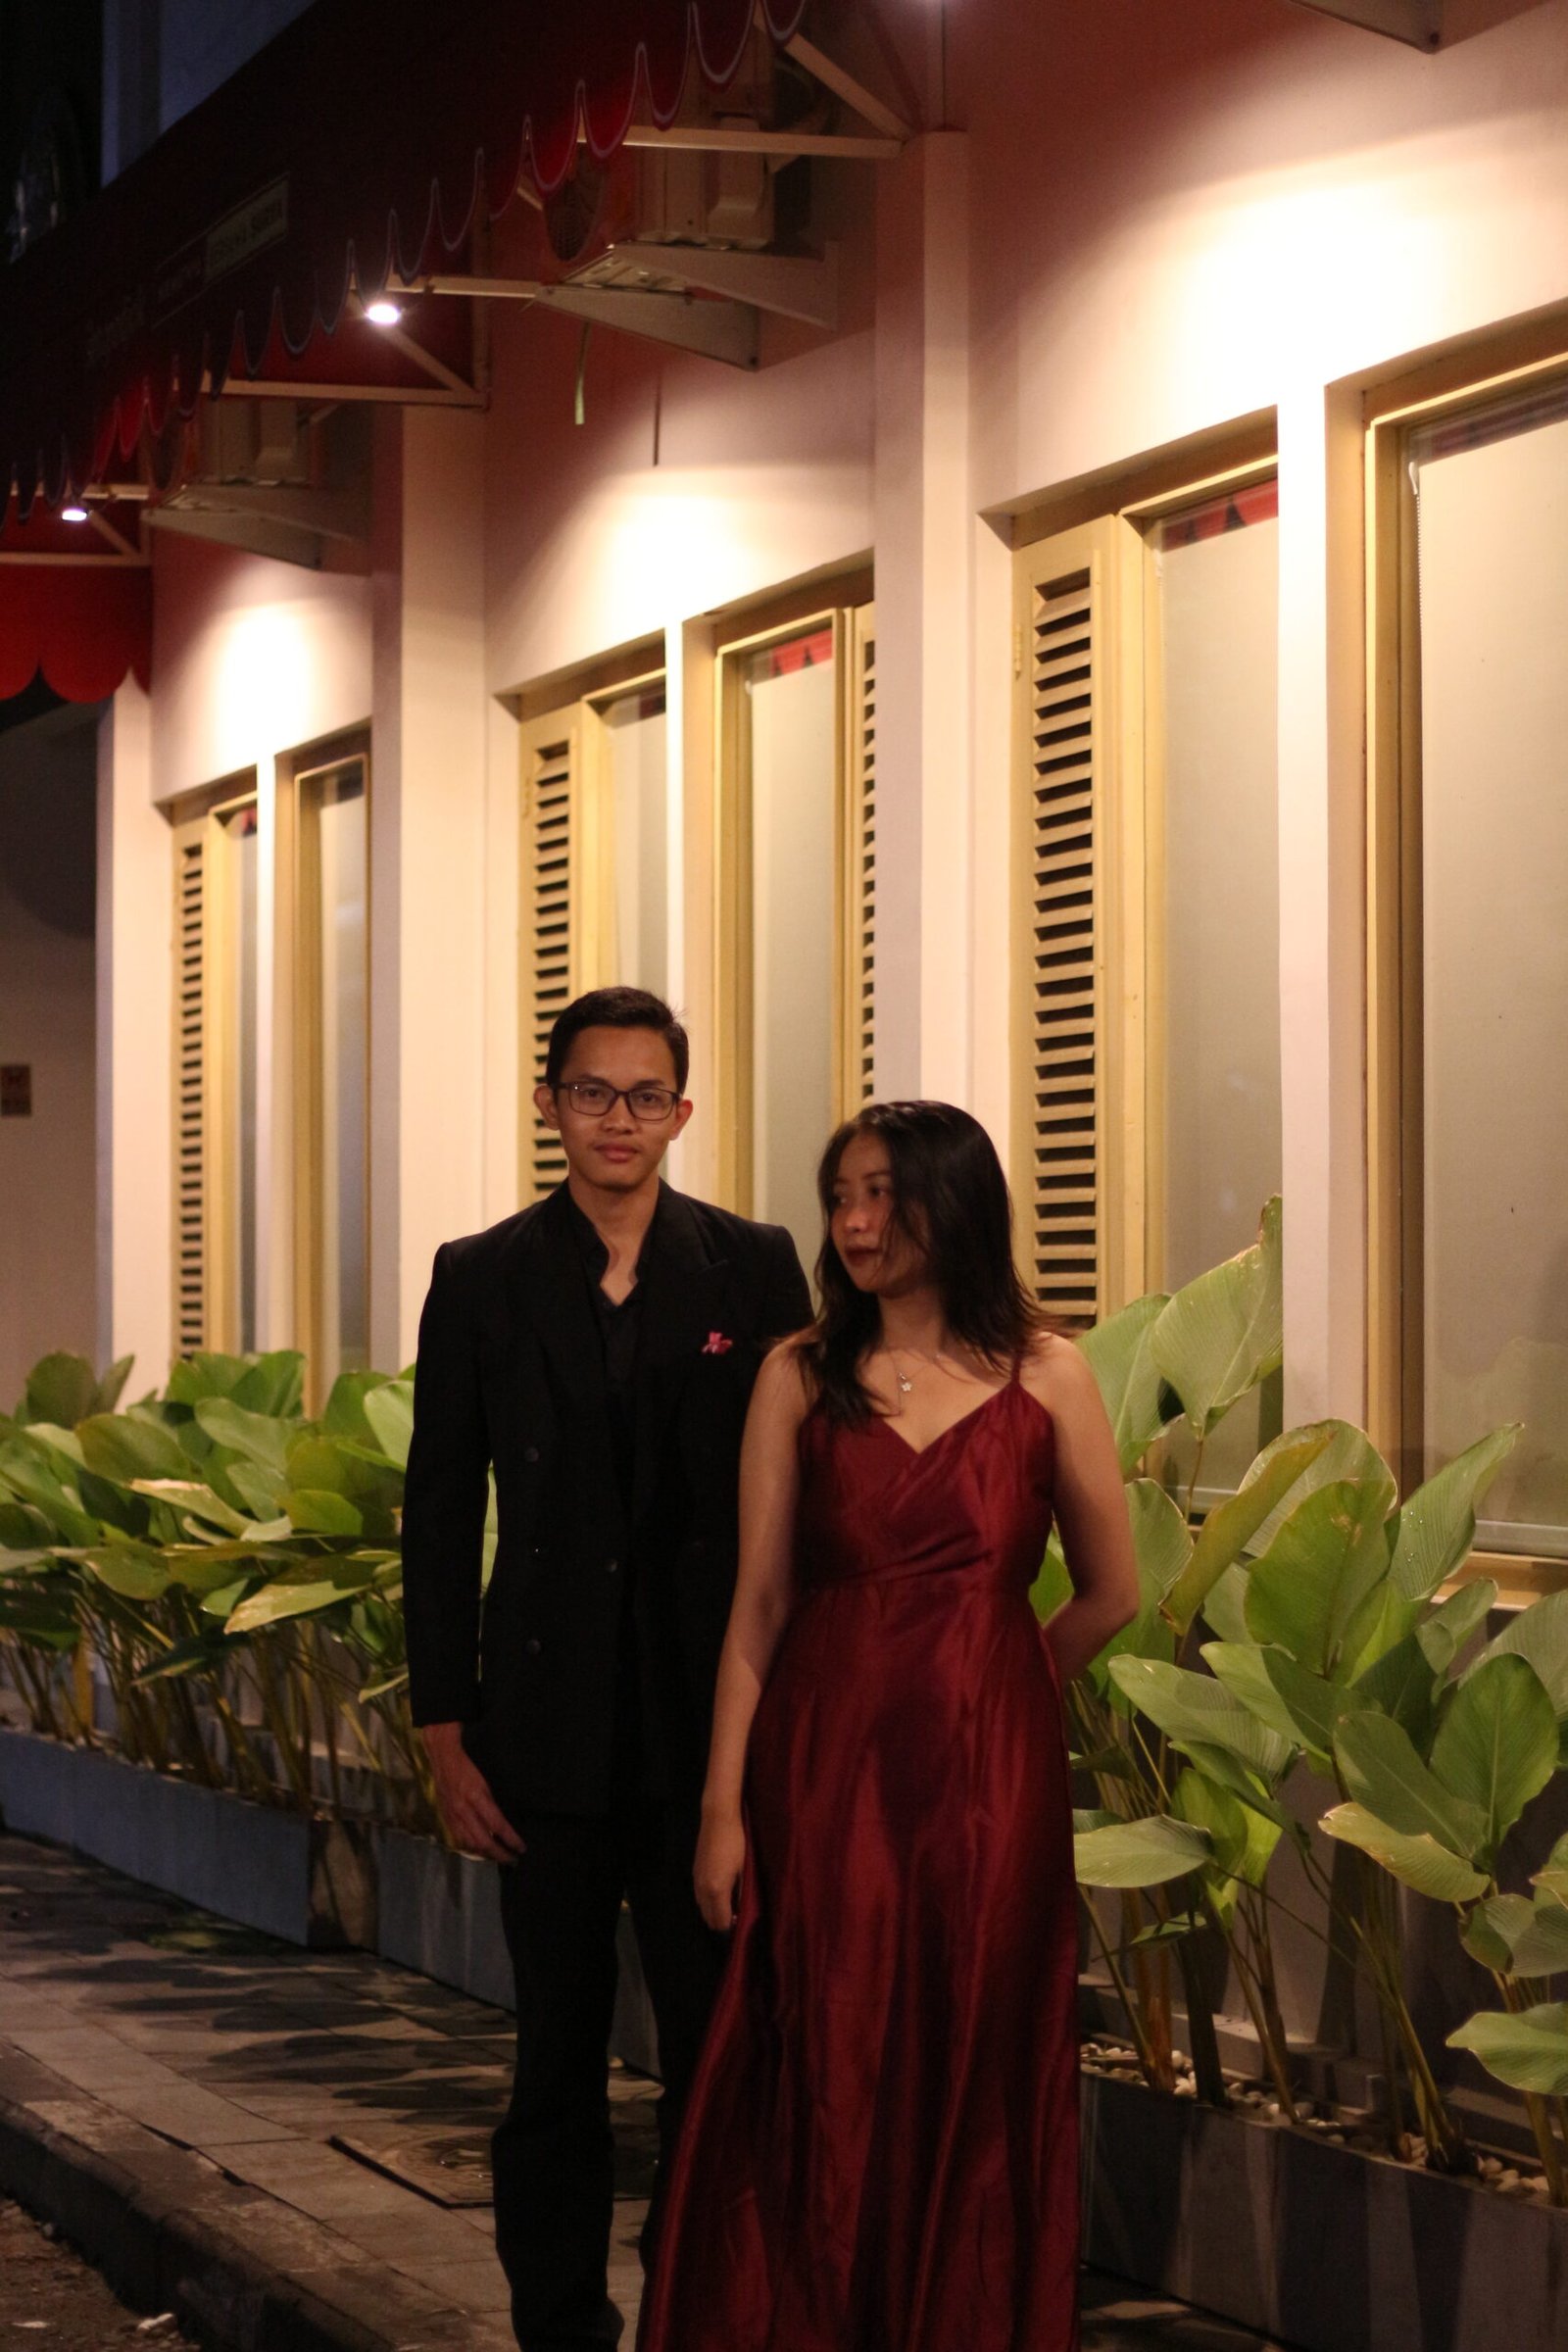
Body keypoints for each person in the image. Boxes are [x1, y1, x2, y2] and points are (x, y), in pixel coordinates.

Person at [637, 1100, 1140, 2352]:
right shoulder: (797, 1375)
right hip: (825, 1772)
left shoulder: (1049, 1373)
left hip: (988, 1782)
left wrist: (1001, 1682)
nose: (855, 1225)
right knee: (826, 2047)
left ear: (951, 1206)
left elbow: (1111, 1591)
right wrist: (720, 1807)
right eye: (841, 1199)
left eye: (882, 1197)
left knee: (977, 2047)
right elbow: (759, 1606)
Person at [401, 986, 811, 2352]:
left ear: (681, 1113)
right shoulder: (481, 1274)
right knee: (553, 2068)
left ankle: (692, 2318)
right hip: (542, 1736)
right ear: (550, 1105)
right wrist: (445, 1727)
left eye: (645, 1096)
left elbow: (800, 1502)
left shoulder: (752, 1267)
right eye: (591, 1092)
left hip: (709, 1737)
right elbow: (439, 1508)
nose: (617, 1120)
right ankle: (561, 2330)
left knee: (711, 2064)